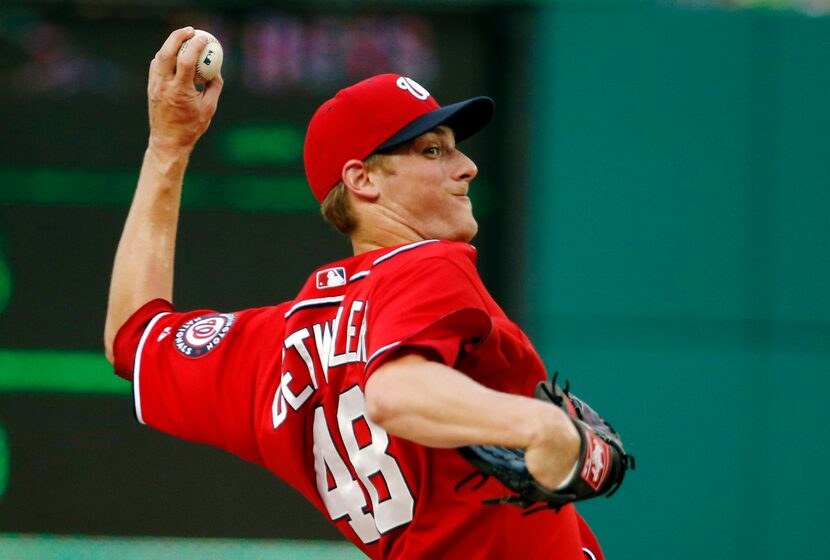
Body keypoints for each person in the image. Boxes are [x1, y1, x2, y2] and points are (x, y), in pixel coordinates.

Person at [104, 27, 603, 560]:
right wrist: (541, 426)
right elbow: (394, 392)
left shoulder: (279, 341)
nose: (466, 167)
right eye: (433, 150)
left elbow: (133, 337)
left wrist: (168, 147)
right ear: (363, 180)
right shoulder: (427, 264)